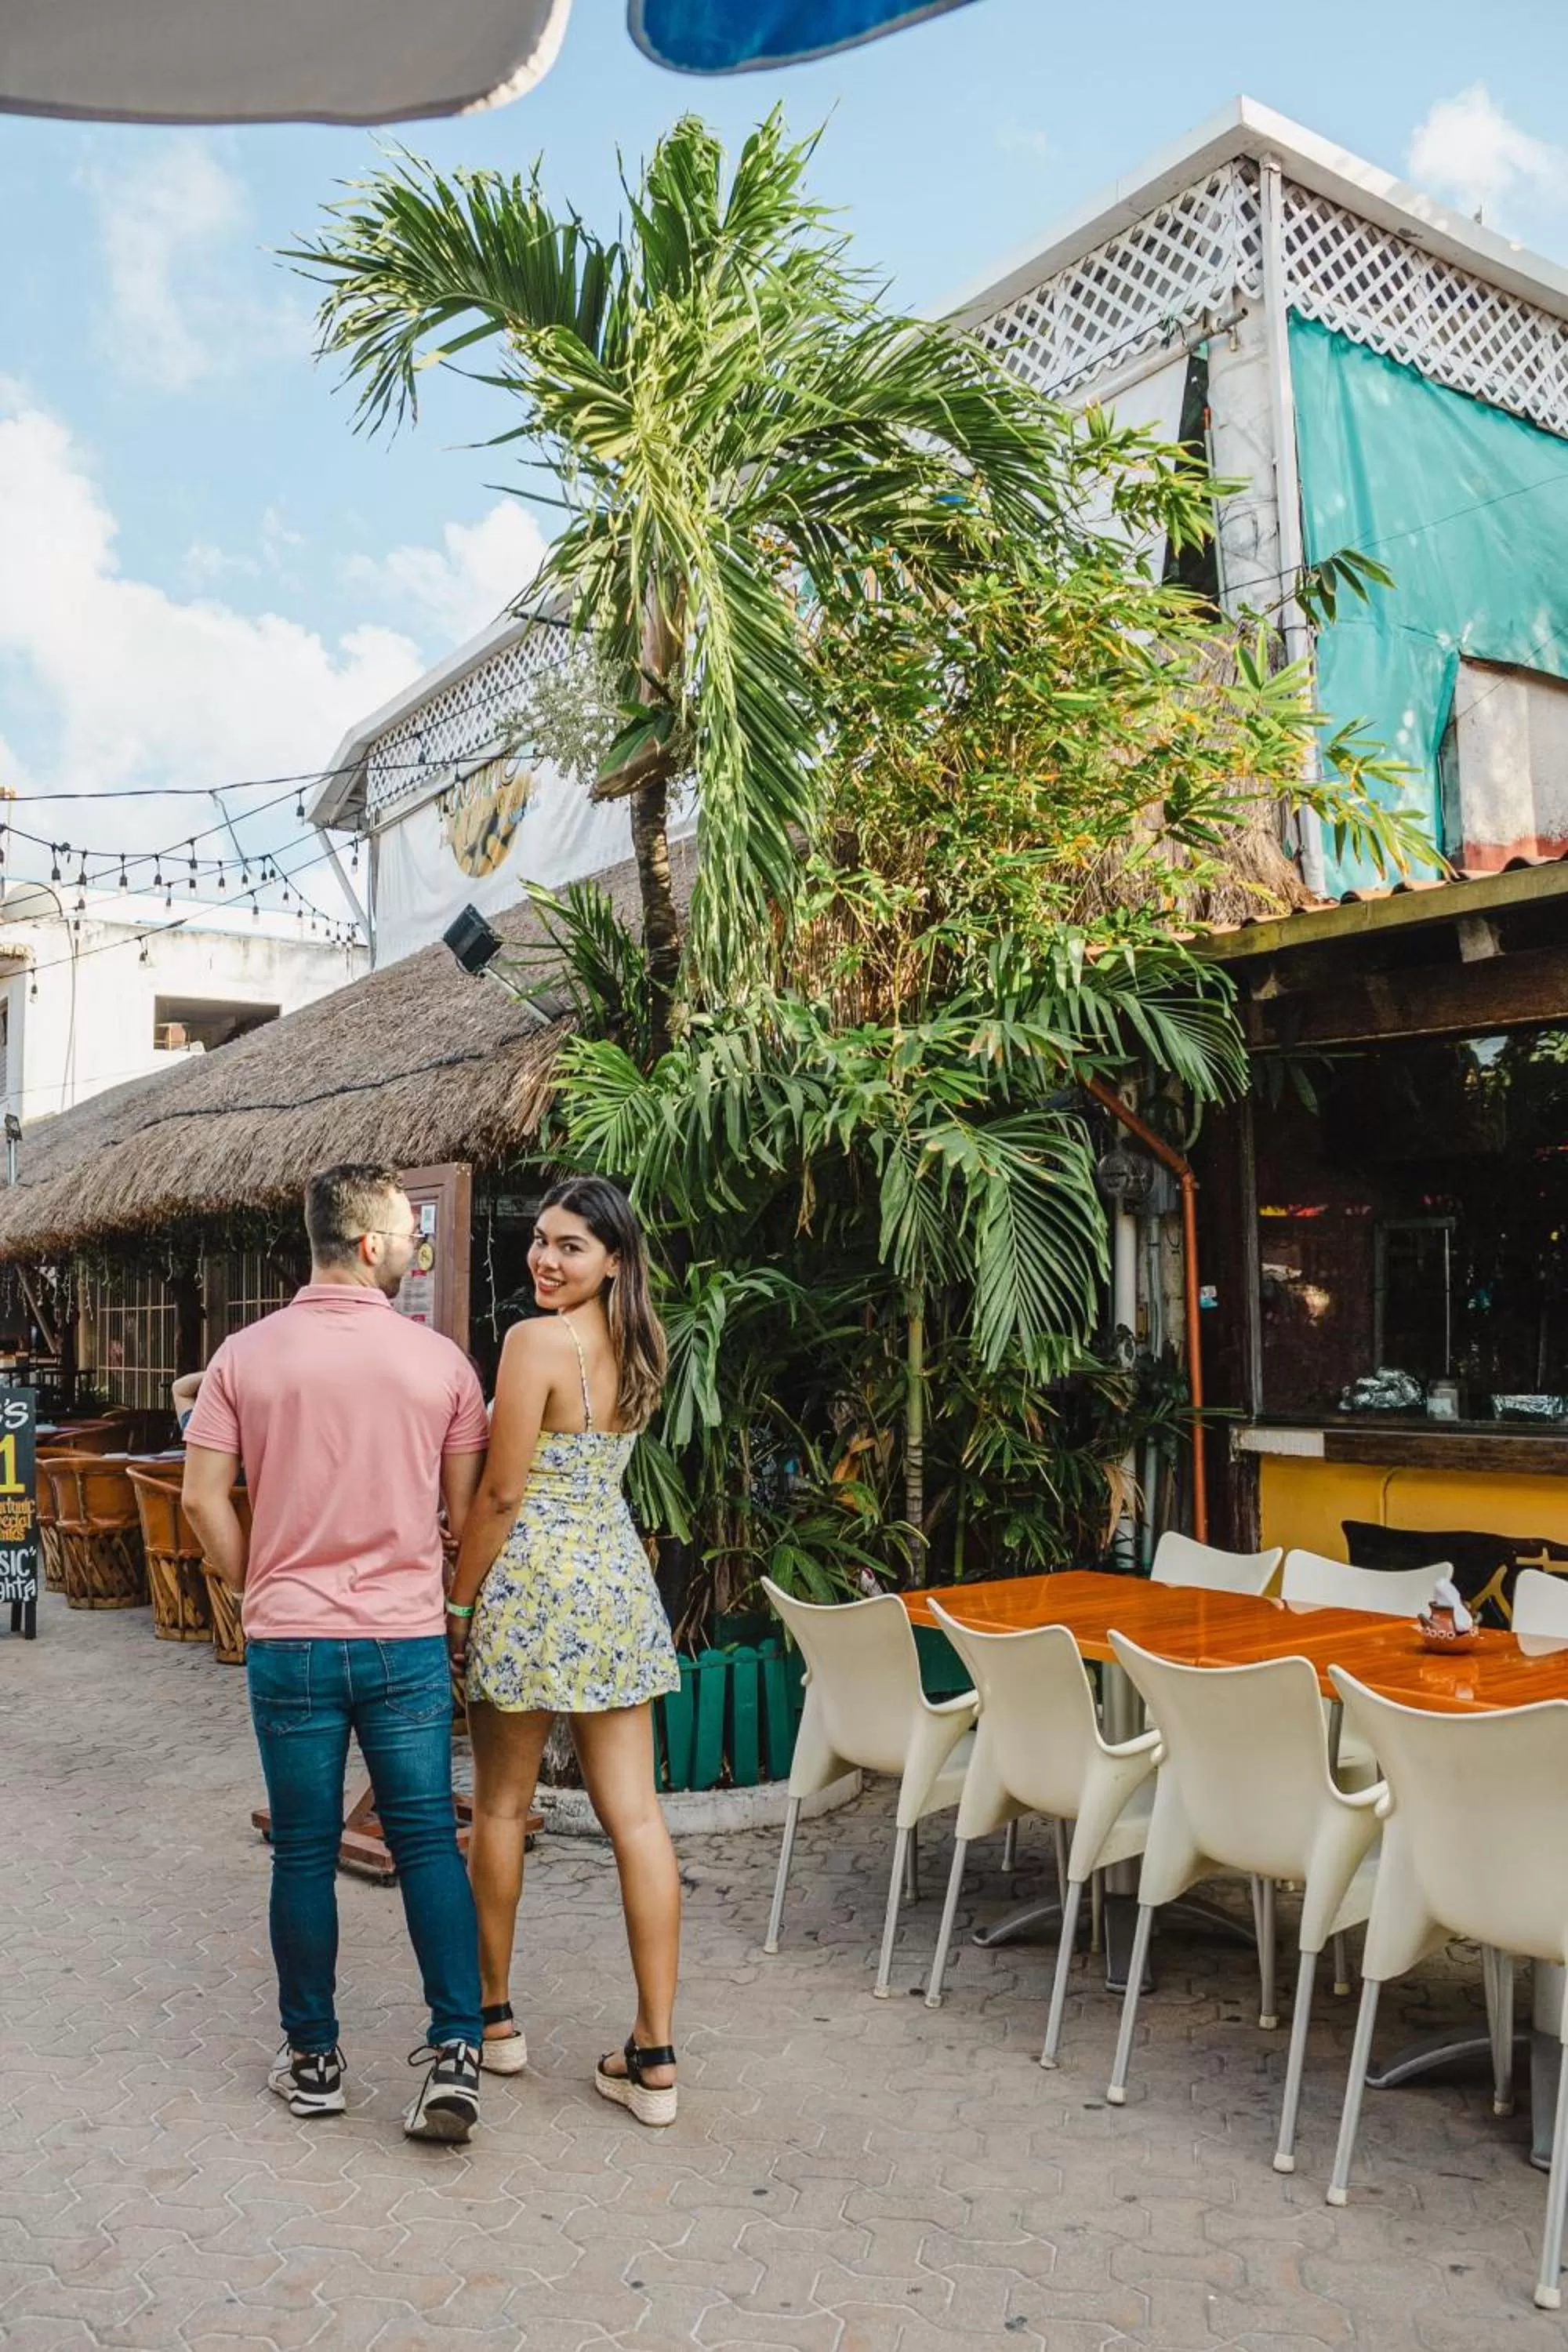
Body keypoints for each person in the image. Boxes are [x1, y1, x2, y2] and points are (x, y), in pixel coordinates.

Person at [183, 1163, 492, 2144]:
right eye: (409, 1236)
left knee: (305, 1852)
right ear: (370, 1247)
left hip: (292, 1641)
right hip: (402, 1639)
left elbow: (199, 1499)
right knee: (428, 1845)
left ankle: (313, 2060)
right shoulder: (440, 1364)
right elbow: (464, 1510)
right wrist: (449, 1601)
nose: (414, 1251)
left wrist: (252, 1588)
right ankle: (454, 2054)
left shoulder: (243, 1357)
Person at [445, 1176, 684, 2125]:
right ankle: (655, 2052)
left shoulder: (532, 1343)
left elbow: (499, 1497)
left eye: (570, 1246)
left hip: (533, 1583)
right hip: (615, 1584)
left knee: (501, 1809)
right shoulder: (641, 1343)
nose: (545, 1258)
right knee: (637, 1819)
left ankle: (493, 2021)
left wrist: (460, 1604)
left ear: (612, 1257)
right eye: (540, 1241)